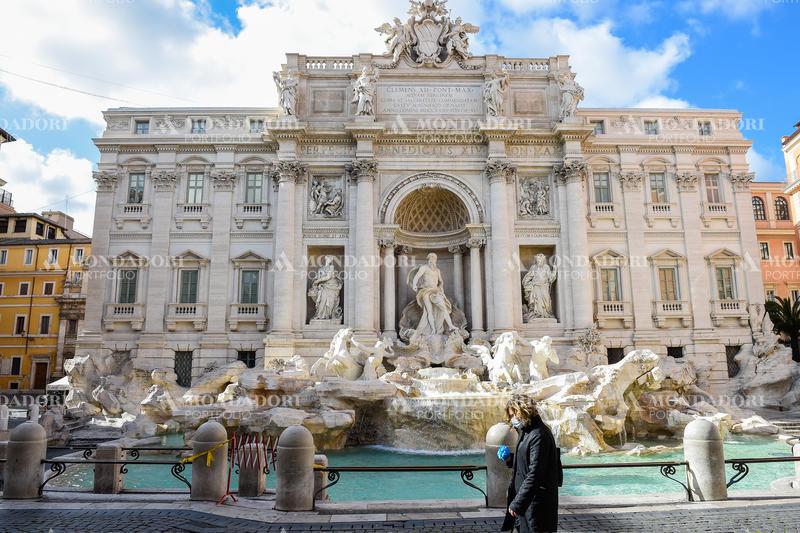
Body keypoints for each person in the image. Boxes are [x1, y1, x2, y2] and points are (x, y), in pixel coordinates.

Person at [501, 394, 562, 532]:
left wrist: (518, 503)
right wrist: (510, 459)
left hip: (536, 506)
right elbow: (527, 460)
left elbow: (535, 474)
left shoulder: (538, 435)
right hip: (528, 504)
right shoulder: (527, 431)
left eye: (513, 415)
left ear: (522, 411)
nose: (512, 419)